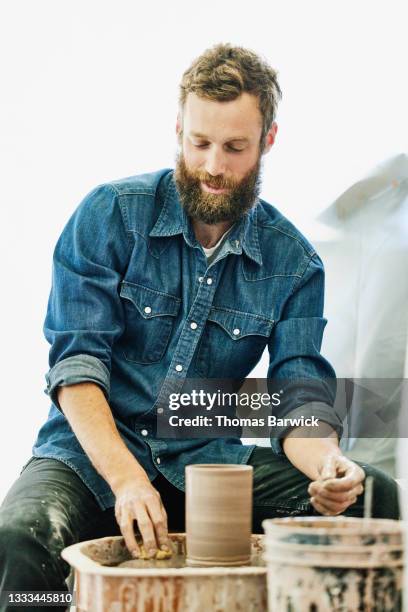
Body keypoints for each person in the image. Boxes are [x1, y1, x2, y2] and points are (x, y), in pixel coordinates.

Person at [0, 43, 399, 604]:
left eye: (235, 147)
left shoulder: (295, 262)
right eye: (200, 143)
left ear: (268, 140)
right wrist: (128, 482)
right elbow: (76, 369)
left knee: (372, 498)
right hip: (92, 457)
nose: (214, 166)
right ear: (179, 129)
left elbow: (298, 399)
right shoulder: (110, 214)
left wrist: (327, 463)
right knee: (20, 537)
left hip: (207, 464)